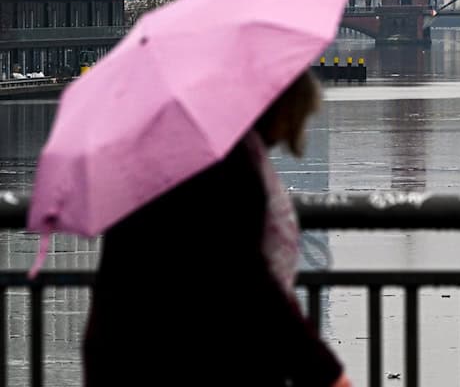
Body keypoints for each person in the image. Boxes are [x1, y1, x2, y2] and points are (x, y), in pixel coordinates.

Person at [83, 71, 352, 387]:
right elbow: (246, 277)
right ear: (277, 108)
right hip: (174, 357)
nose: (287, 135)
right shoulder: (225, 164)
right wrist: (325, 371)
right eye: (295, 117)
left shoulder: (180, 148)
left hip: (124, 347)